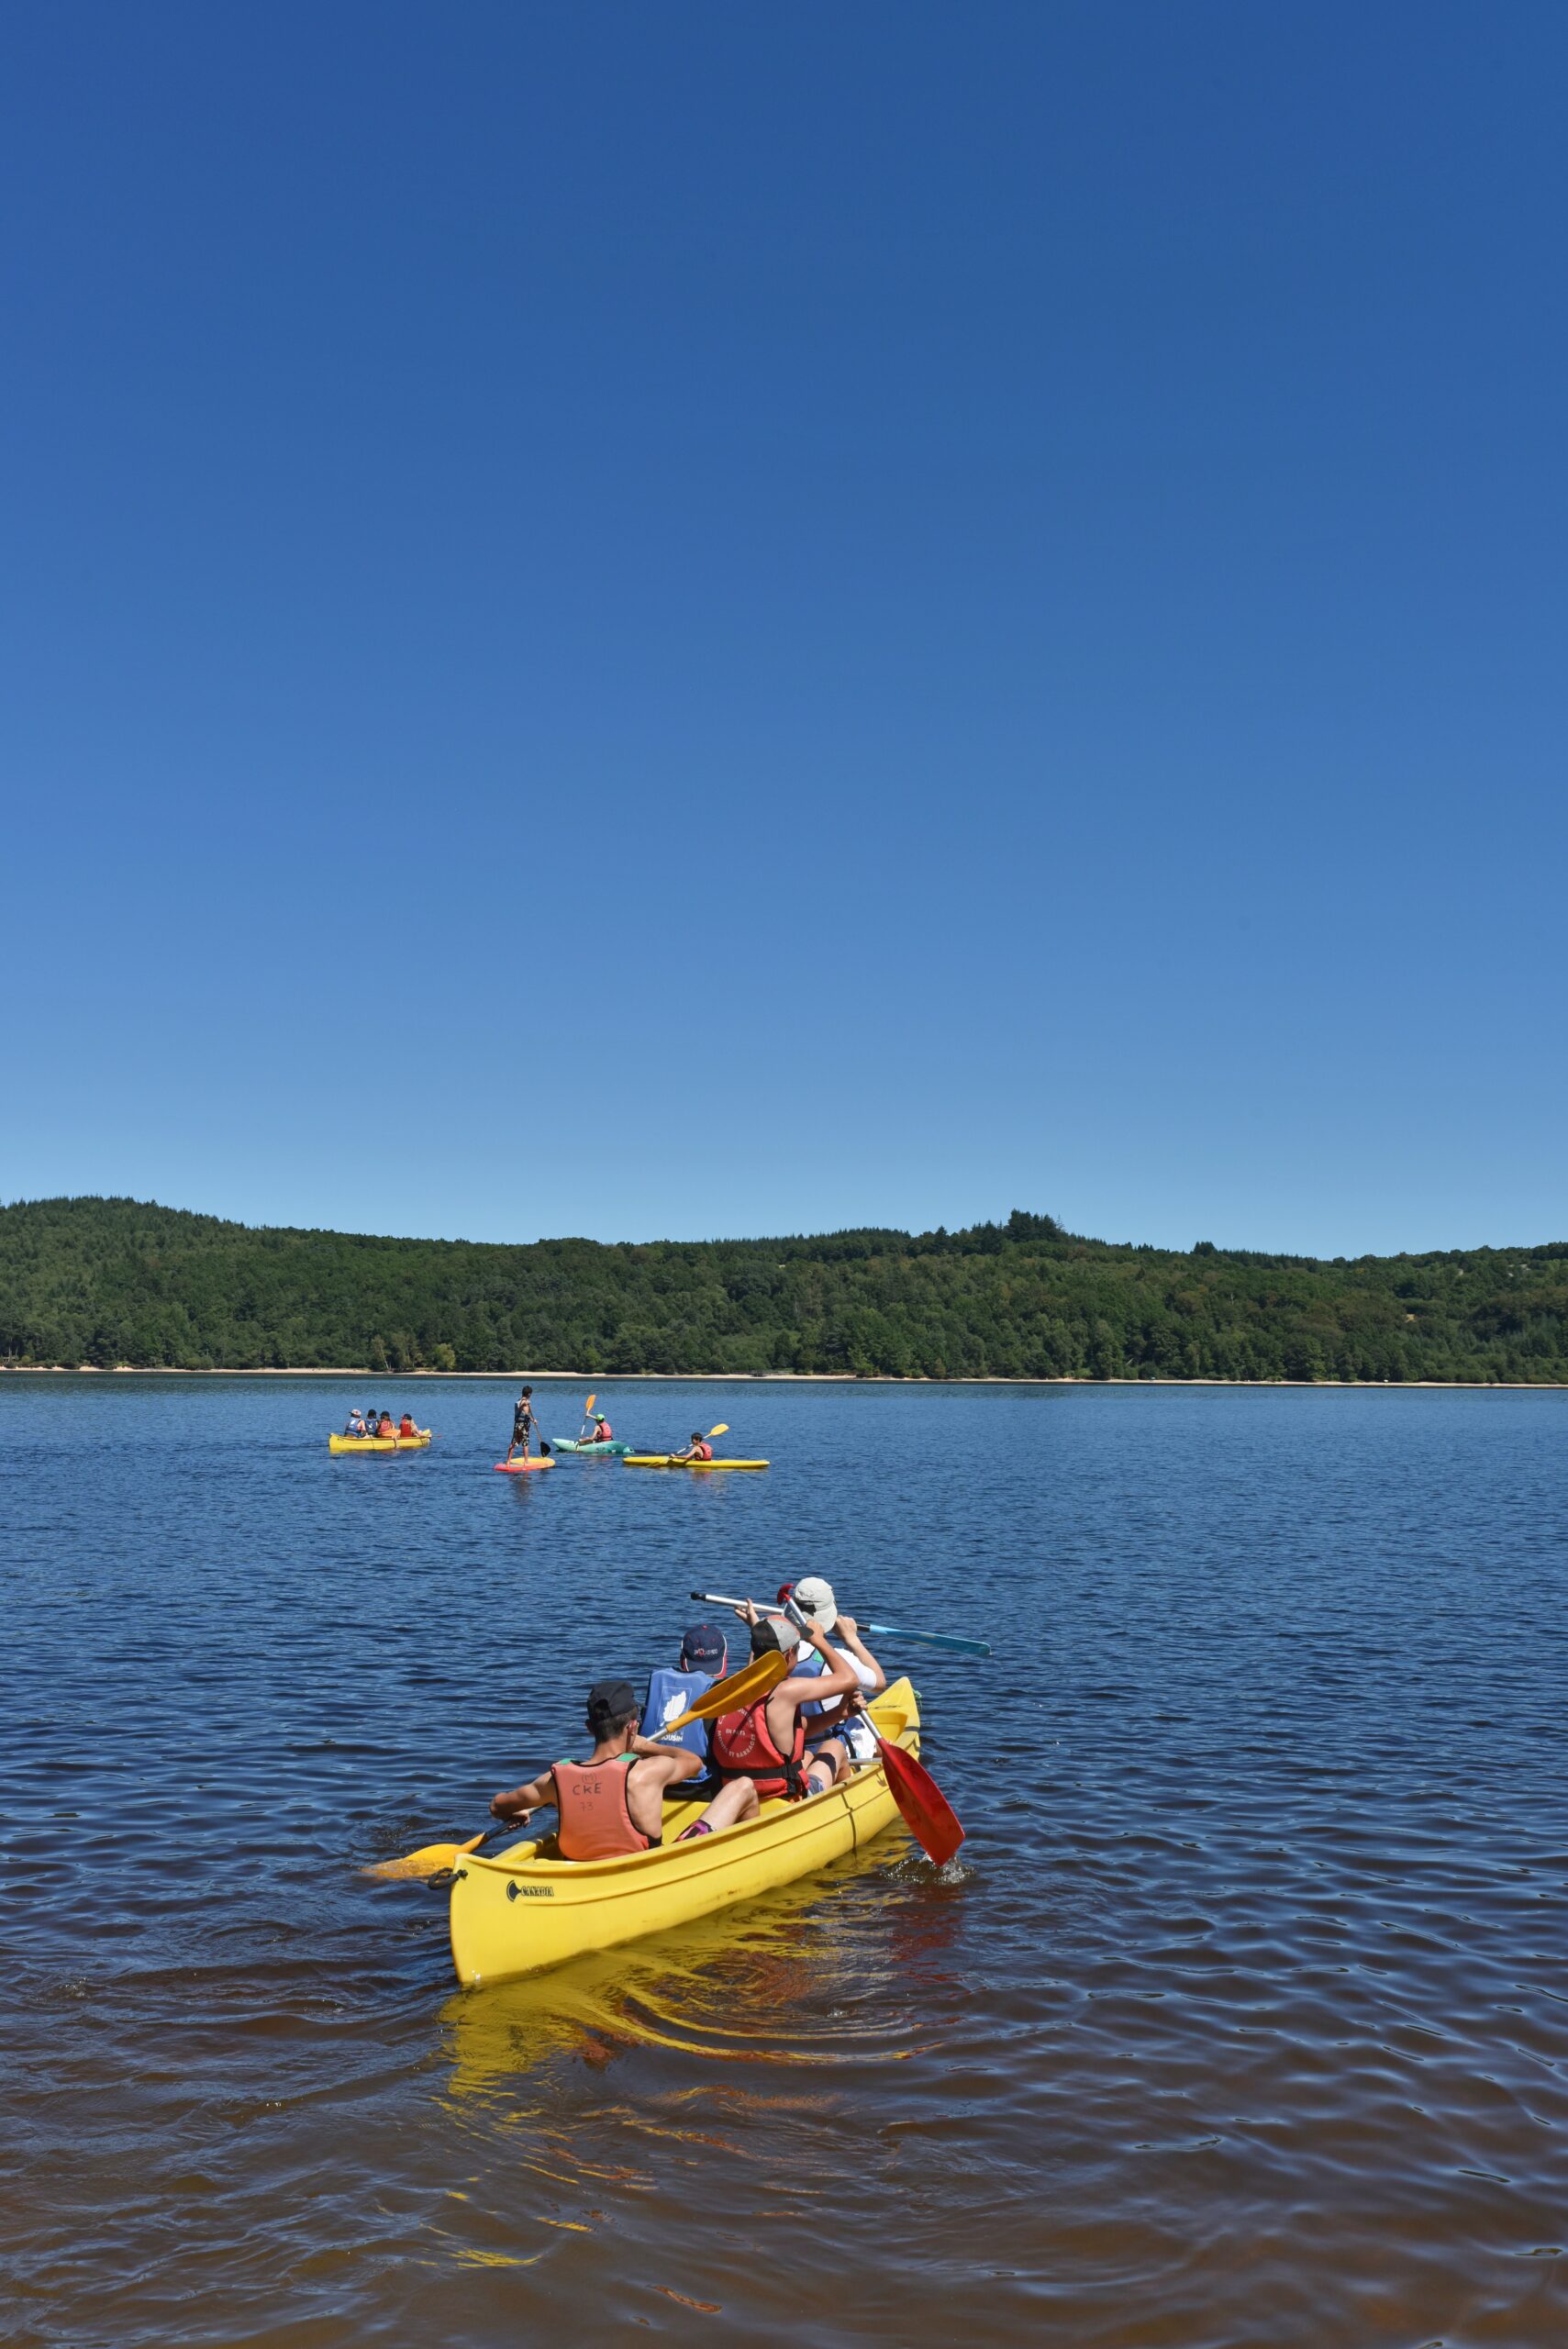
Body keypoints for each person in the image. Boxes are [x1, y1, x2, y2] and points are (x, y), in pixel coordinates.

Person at [489, 1679, 759, 1856]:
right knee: (743, 1786)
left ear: (588, 1729)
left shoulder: (555, 1780)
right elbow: (693, 1764)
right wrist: (644, 1747)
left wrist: (521, 1811)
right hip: (650, 1875)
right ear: (633, 1727)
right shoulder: (645, 1774)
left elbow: (497, 1806)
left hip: (584, 1877)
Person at [712, 1601, 862, 1800]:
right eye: (798, 1649)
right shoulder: (787, 1690)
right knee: (834, 1746)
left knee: (807, 1756)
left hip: (737, 1791)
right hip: (783, 1794)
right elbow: (850, 1679)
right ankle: (842, 1806)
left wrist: (839, 1714)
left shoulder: (734, 1685)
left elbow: (786, 1728)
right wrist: (819, 1641)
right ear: (789, 1654)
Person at [778, 1575, 886, 1783]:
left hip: (790, 1744)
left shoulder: (775, 1655)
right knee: (872, 1739)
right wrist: (851, 1639)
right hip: (824, 1743)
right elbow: (879, 1684)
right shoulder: (842, 1660)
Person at [644, 1623, 728, 1763]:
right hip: (699, 1777)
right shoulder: (720, 1689)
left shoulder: (658, 1680)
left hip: (653, 1769)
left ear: (682, 1659)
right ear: (724, 1659)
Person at [506, 1386, 536, 1464]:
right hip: (523, 1426)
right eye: (531, 1394)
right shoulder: (522, 1402)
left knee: (513, 1442)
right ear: (529, 1394)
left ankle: (508, 1461)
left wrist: (533, 1420)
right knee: (525, 1443)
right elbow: (520, 1406)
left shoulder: (520, 1401)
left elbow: (526, 1415)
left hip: (518, 1425)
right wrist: (525, 1402)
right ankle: (526, 1462)